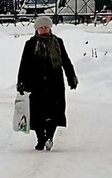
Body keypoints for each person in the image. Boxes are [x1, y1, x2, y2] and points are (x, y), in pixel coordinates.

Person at [16, 15, 78, 151]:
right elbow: (24, 64)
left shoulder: (58, 42)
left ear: (50, 28)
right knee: (38, 112)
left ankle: (49, 137)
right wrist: (21, 81)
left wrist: (71, 77)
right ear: (36, 29)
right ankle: (40, 139)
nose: (44, 30)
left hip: (55, 82)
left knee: (55, 111)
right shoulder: (30, 44)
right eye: (41, 28)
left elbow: (65, 61)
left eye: (46, 27)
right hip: (36, 82)